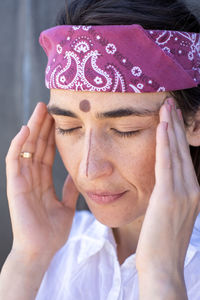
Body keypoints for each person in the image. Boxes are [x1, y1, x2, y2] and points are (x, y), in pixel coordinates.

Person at [0, 0, 200, 299]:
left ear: (194, 125)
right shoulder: (55, 248)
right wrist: (27, 260)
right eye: (67, 127)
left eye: (125, 130)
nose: (89, 170)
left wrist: (163, 276)